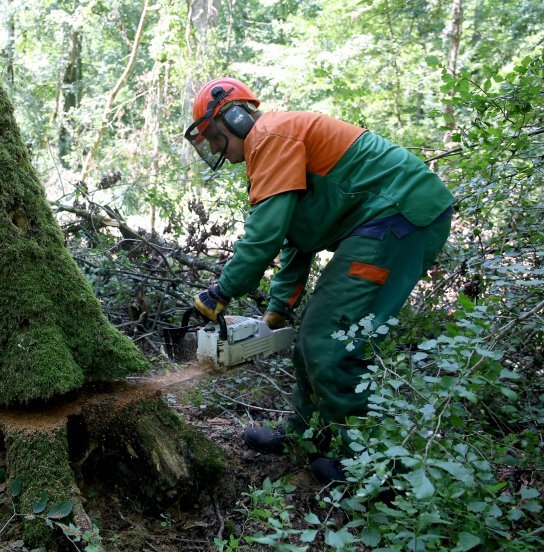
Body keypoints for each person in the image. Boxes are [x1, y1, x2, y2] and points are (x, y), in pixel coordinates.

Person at [186, 77, 454, 482]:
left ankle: (365, 463)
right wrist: (278, 309)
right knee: (312, 336)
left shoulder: (270, 136)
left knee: (331, 336)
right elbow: (297, 237)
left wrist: (222, 290)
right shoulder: (273, 144)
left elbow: (264, 236)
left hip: (399, 217)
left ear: (235, 118)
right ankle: (305, 434)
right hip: (381, 221)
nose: (219, 149)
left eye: (216, 138)